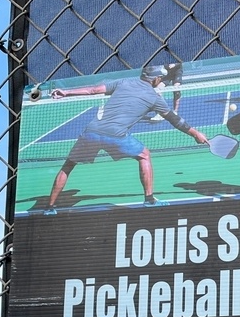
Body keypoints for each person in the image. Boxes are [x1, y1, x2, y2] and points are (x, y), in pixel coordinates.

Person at [44, 65, 207, 212]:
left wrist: (66, 92)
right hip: (116, 135)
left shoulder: (123, 82)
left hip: (92, 131)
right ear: (156, 79)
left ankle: (49, 207)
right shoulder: (155, 98)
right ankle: (149, 199)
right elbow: (175, 120)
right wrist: (196, 134)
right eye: (161, 78)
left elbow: (93, 90)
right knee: (144, 155)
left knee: (68, 165)